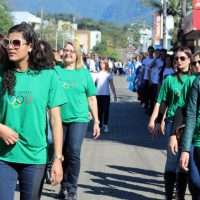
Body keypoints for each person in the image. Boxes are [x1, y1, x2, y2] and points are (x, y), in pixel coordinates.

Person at [0, 23, 67, 200]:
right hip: (3, 156)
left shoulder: (48, 76)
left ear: (30, 46)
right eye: (8, 42)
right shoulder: (1, 74)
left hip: (35, 157)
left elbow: (55, 120)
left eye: (16, 43)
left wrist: (58, 159)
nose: (10, 47)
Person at [55, 41, 100, 200]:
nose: (68, 53)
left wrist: (96, 121)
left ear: (77, 55)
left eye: (72, 51)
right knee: (62, 154)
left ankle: (72, 188)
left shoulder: (83, 73)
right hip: (59, 119)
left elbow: (92, 98)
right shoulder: (55, 71)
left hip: (79, 118)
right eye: (66, 50)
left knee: (73, 152)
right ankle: (63, 186)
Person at [148, 47, 194, 200]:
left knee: (184, 162)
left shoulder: (194, 80)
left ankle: (180, 195)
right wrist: (155, 120)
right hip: (172, 122)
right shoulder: (169, 80)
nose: (178, 61)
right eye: (176, 59)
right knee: (172, 159)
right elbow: (162, 102)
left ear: (189, 60)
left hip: (190, 123)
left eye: (182, 58)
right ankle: (169, 195)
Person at [180, 50, 200, 199]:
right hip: (195, 141)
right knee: (194, 182)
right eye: (195, 63)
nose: (197, 66)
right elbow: (191, 114)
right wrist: (185, 149)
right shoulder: (196, 82)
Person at [95, 57, 117, 133]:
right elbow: (94, 85)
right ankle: (100, 125)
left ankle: (106, 125)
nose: (101, 64)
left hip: (106, 95)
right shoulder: (97, 74)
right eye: (100, 63)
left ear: (106, 64)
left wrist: (114, 94)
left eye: (103, 63)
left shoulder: (108, 74)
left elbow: (112, 85)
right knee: (99, 111)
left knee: (106, 110)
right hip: (98, 95)